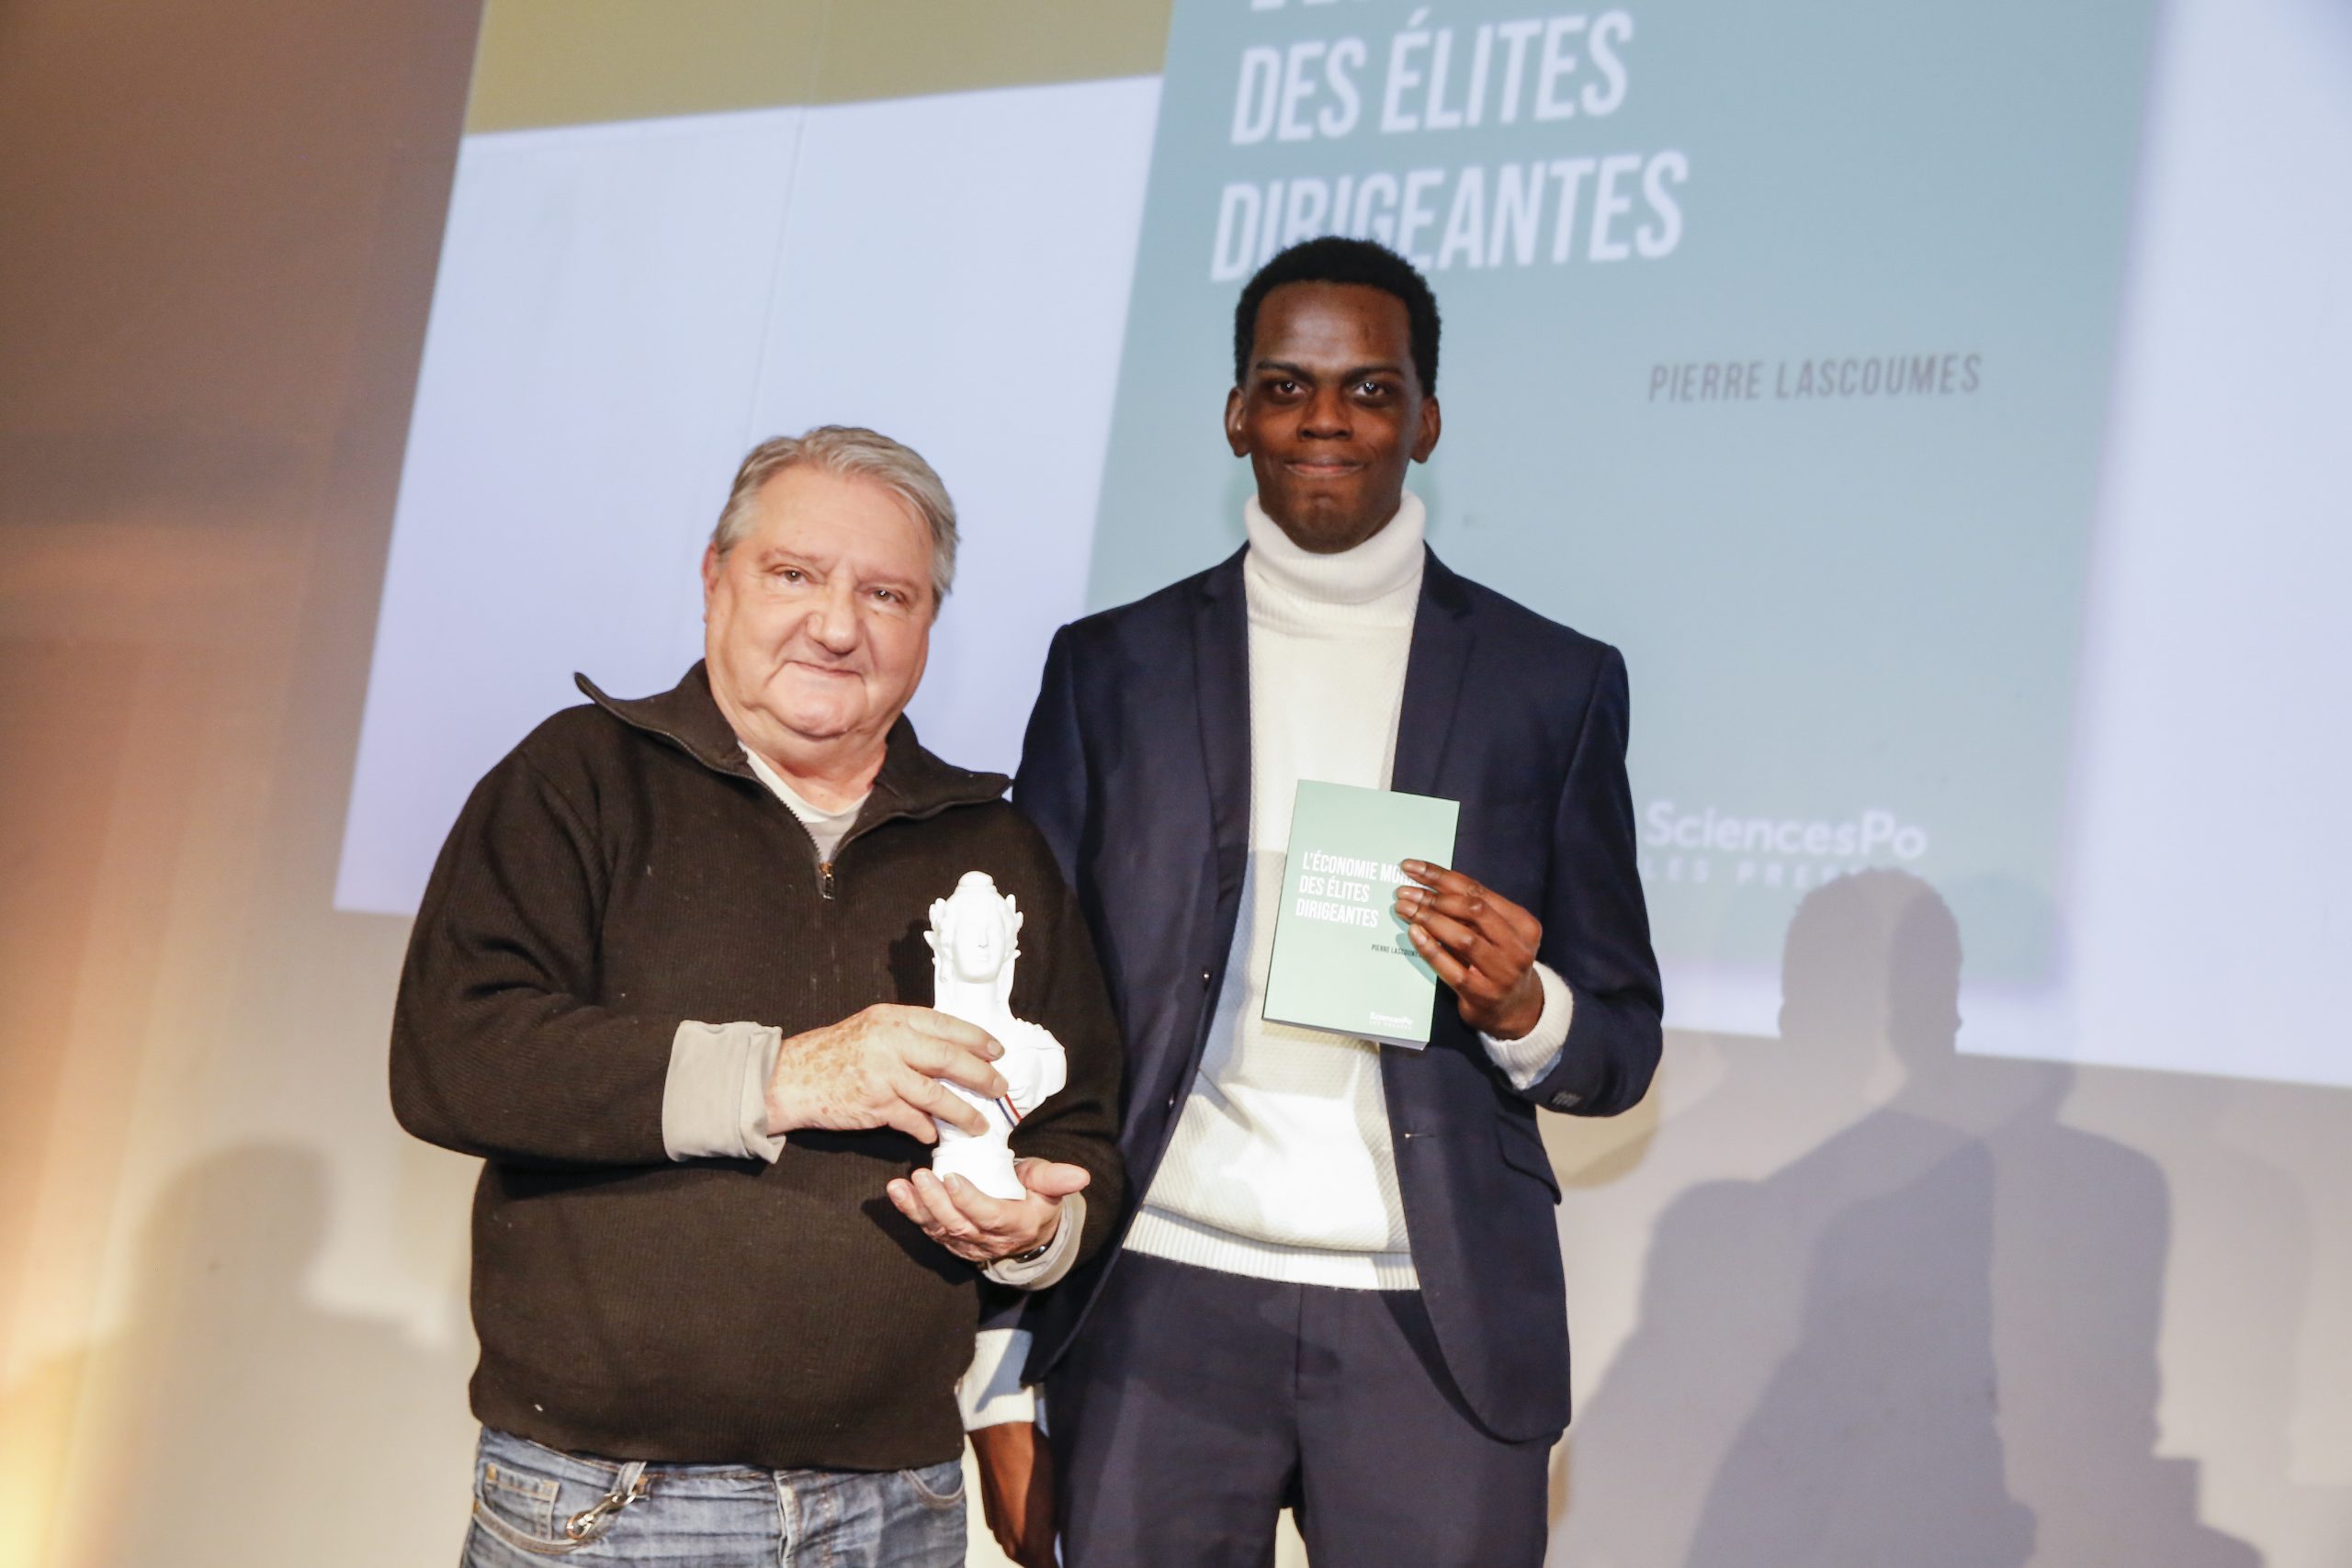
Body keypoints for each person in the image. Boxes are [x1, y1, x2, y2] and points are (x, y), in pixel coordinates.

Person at [974, 237, 1664, 1566]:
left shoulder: (1550, 684)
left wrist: (1525, 1006)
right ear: (1237, 413)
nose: (1326, 420)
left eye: (1369, 389)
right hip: (1148, 1295)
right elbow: (1018, 1024)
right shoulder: (1109, 669)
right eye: (1287, 387)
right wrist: (1000, 1366)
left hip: (1436, 1324)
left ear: (1426, 420)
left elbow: (1621, 1044)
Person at [390, 425, 1123, 1566]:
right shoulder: (577, 778)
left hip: (898, 1504)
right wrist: (787, 1076)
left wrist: (1039, 1231)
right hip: (610, 1502)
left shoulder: (991, 845)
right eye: (794, 575)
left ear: (929, 622)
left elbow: (1080, 1127)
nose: (835, 626)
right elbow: (457, 1056)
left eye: (885, 593)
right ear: (714, 578)